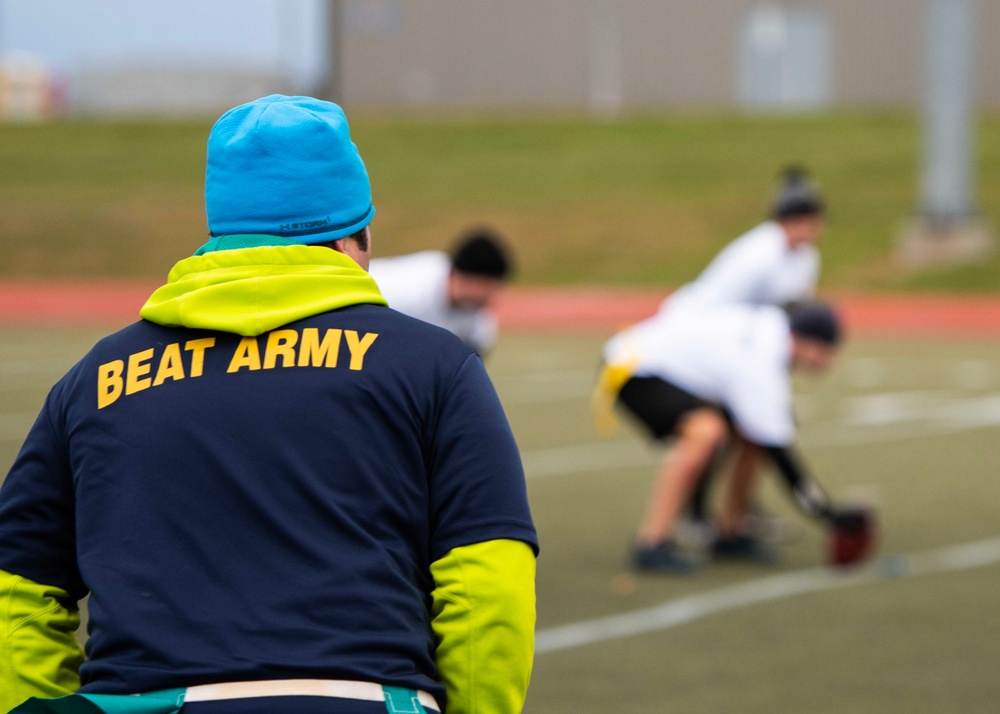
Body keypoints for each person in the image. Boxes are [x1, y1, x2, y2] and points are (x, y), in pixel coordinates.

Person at [0, 95, 538, 714]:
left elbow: (20, 583)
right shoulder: (437, 366)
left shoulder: (91, 380)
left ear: (219, 233)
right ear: (355, 233)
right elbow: (488, 581)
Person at [595, 301, 857, 574]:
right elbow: (783, 456)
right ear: (802, 339)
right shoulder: (762, 359)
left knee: (751, 434)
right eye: (825, 351)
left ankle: (730, 531)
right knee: (706, 432)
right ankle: (651, 542)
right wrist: (830, 515)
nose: (827, 361)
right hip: (632, 367)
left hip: (657, 364)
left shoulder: (768, 334)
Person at [665, 167, 826, 540]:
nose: (807, 229)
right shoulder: (758, 255)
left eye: (812, 221)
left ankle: (737, 512)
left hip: (740, 350)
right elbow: (717, 308)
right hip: (703, 340)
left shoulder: (805, 258)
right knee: (719, 430)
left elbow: (789, 316)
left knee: (751, 430)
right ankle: (697, 515)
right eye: (799, 220)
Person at [368, 228, 514, 356]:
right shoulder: (412, 292)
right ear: (471, 279)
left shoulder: (475, 314)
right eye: (489, 287)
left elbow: (474, 358)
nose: (493, 297)